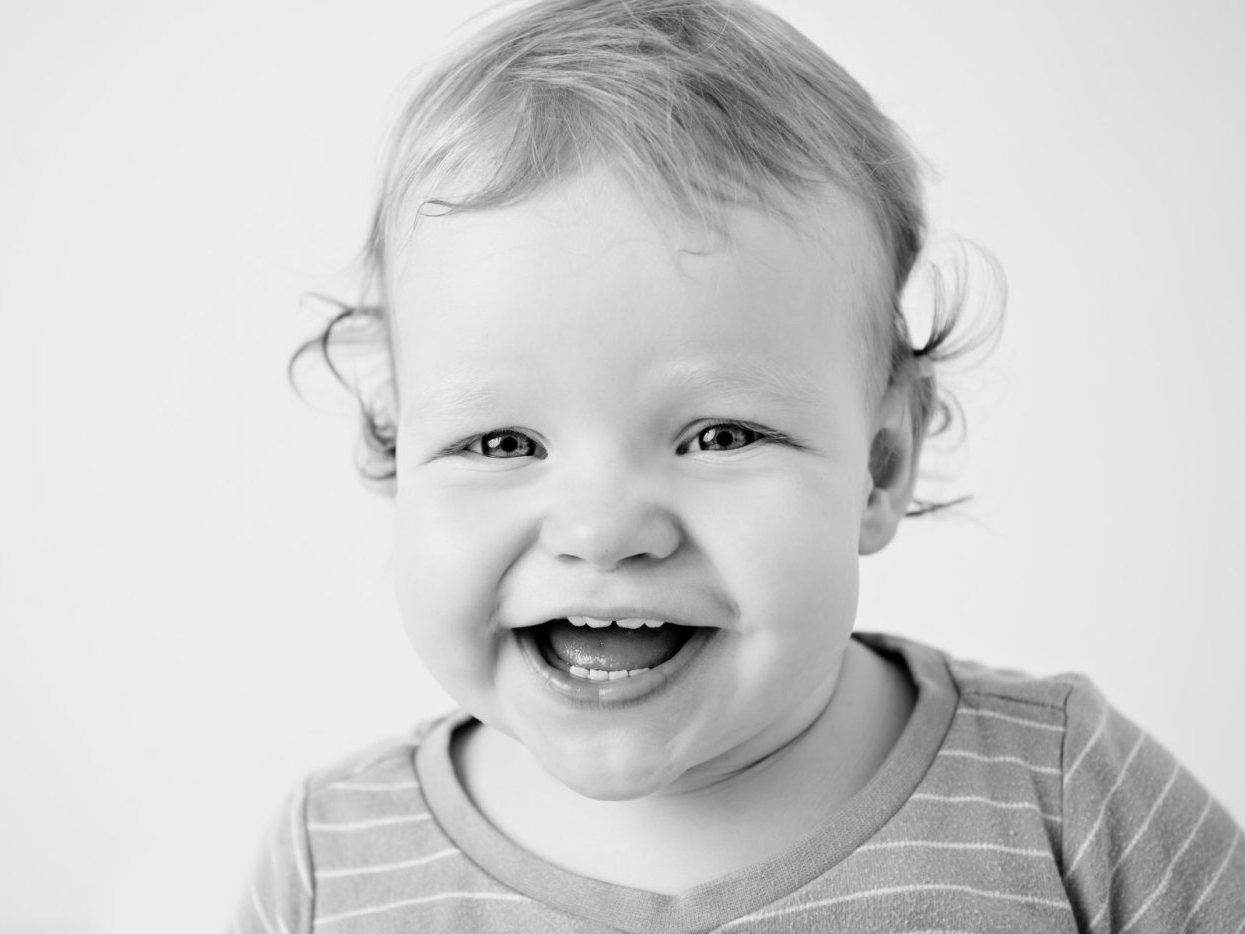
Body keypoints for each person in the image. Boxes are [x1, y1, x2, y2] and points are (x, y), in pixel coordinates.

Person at [232, 0, 1244, 929]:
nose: (601, 530)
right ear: (394, 455)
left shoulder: (1066, 800)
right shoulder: (333, 870)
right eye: (502, 443)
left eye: (718, 436)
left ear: (882, 462)